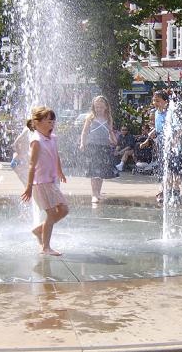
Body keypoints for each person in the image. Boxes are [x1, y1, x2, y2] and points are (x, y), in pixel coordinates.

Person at [21, 107, 69, 256]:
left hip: (51, 181)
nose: (52, 124)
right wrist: (29, 187)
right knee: (51, 214)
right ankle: (45, 247)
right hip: (40, 183)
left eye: (53, 121)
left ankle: (39, 230)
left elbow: (56, 155)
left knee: (64, 210)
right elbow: (32, 165)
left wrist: (59, 171)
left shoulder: (52, 138)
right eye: (48, 121)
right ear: (37, 123)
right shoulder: (36, 141)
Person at [80, 96, 118, 204]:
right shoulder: (90, 118)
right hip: (93, 146)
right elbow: (84, 132)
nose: (99, 109)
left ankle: (99, 192)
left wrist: (114, 140)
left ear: (106, 107)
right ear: (93, 107)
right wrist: (82, 143)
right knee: (94, 171)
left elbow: (110, 132)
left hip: (104, 146)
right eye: (96, 107)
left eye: (101, 107)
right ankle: (94, 194)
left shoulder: (108, 118)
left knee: (101, 172)